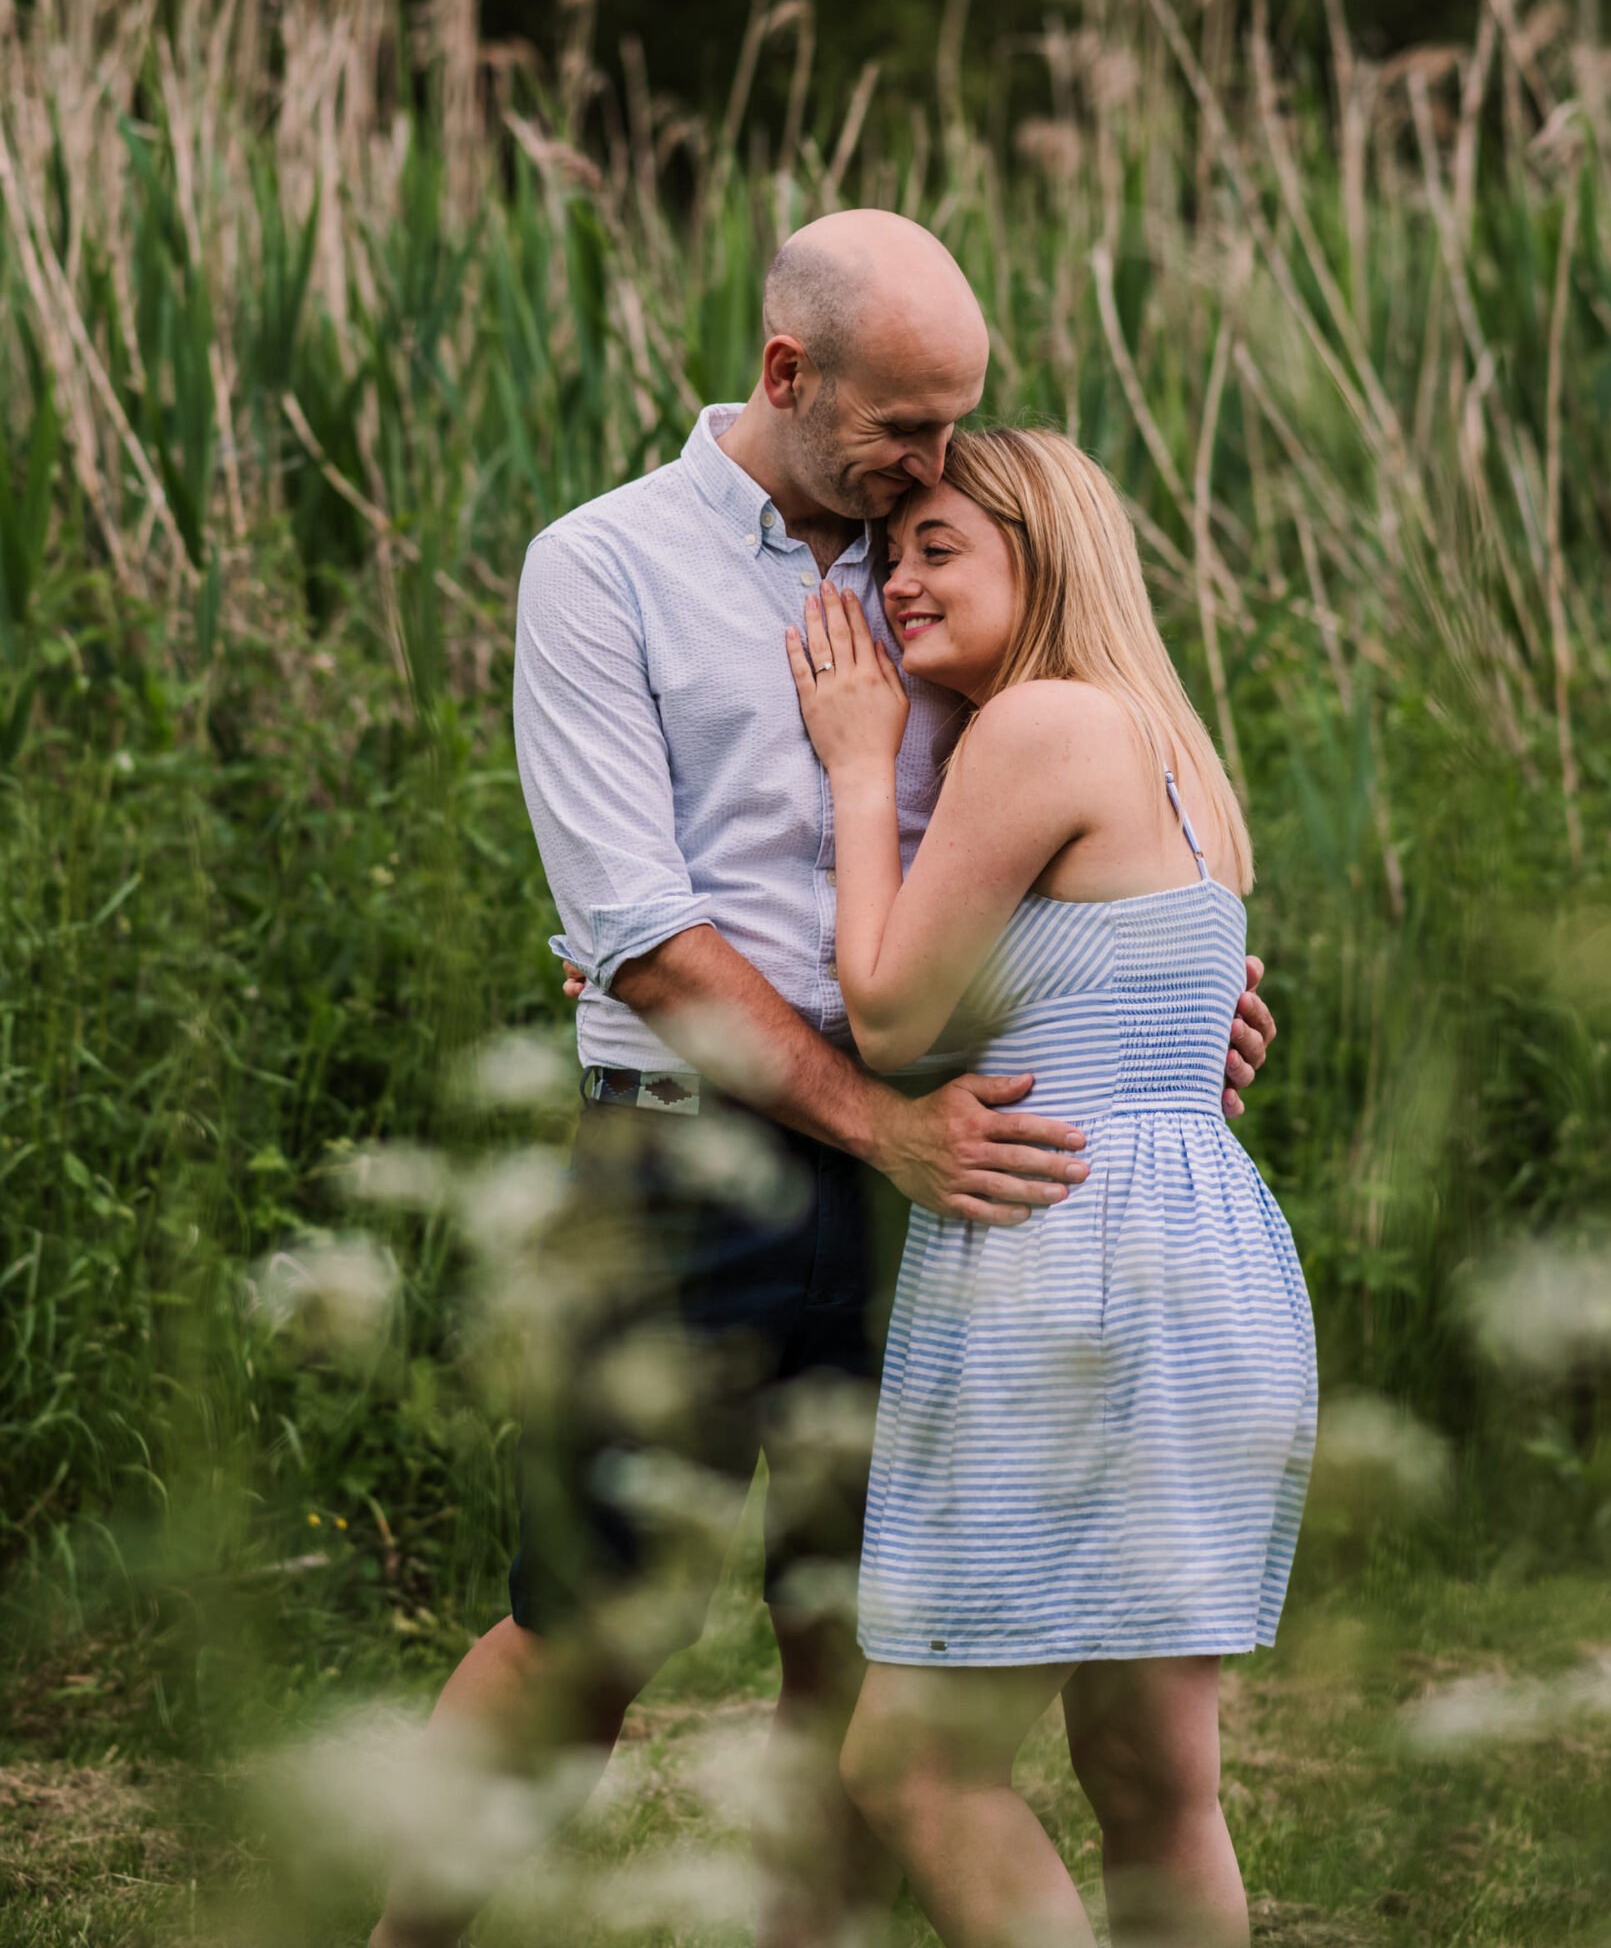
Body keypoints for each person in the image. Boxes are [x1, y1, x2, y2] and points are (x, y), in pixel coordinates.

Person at [370, 210, 1276, 1948]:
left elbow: (1074, 826)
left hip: (948, 1190)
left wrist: (1170, 1007)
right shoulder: (605, 565)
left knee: (857, 1647)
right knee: (587, 1629)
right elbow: (636, 927)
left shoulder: (942, 559)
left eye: (954, 428)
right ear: (789, 372)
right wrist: (881, 1120)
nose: (932, 464)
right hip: (690, 1167)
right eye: (905, 425)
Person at [783, 426, 1315, 1948]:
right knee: (1155, 1775)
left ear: (1048, 549)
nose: (895, 585)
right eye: (889, 557)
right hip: (1200, 1254)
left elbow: (886, 1012)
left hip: (1073, 1260)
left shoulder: (1035, 733)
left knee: (916, 1765)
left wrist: (857, 756)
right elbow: (1149, 1007)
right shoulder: (1170, 742)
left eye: (937, 548)